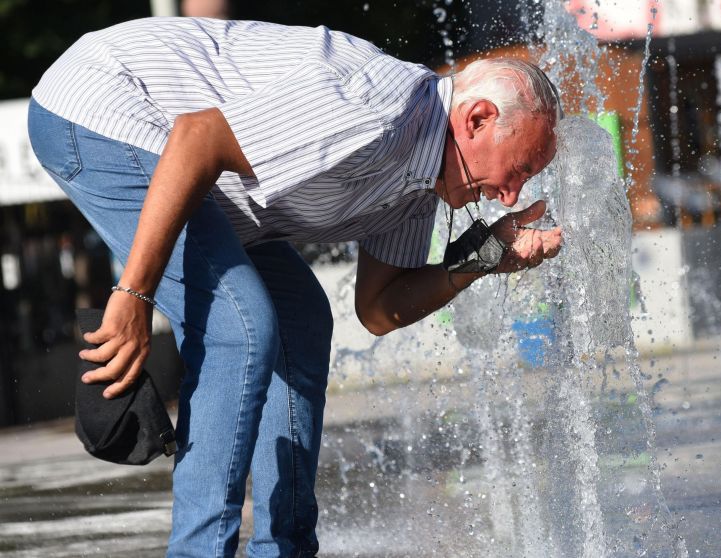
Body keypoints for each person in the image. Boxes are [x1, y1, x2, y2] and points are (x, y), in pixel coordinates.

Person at [27, 17, 561, 557]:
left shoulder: (419, 181)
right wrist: (134, 295)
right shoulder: (379, 109)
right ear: (477, 118)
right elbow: (196, 139)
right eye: (516, 170)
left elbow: (378, 309)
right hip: (103, 105)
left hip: (188, 162)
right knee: (241, 328)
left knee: (301, 318)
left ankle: (285, 549)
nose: (511, 196)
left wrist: (485, 259)